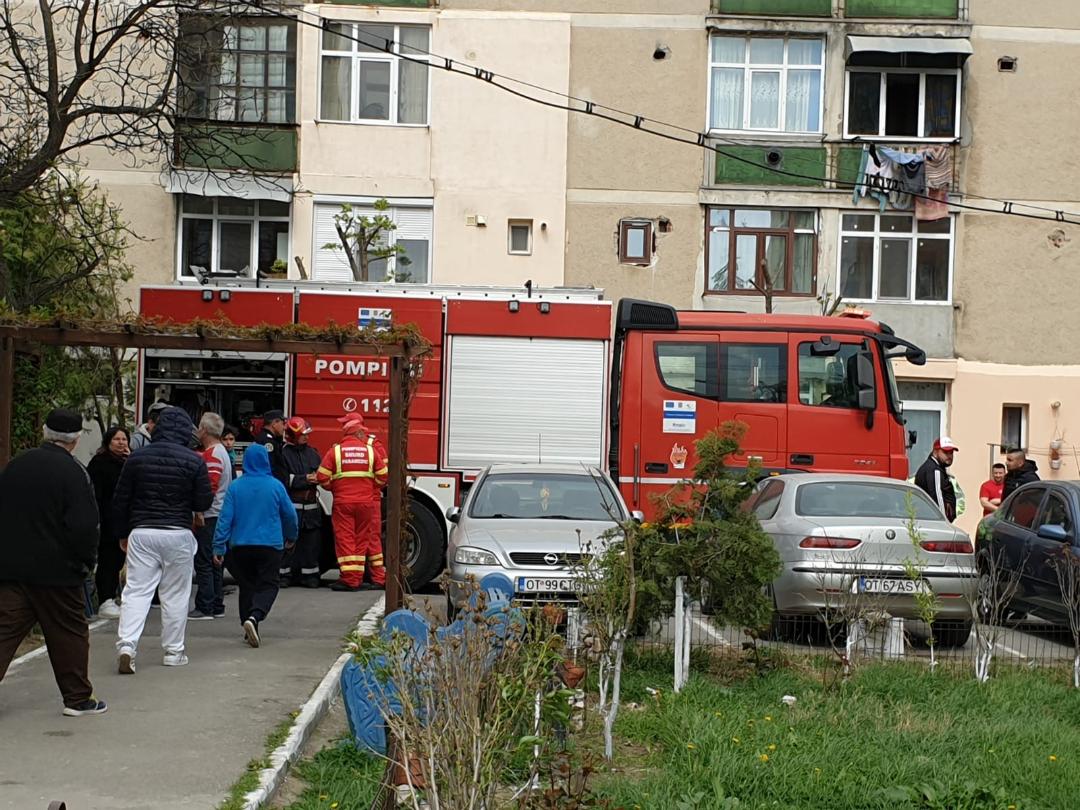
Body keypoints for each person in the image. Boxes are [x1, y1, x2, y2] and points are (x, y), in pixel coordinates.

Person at [0, 409, 107, 716]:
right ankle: (78, 698)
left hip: (12, 567)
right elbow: (84, 526)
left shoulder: (16, 465)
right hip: (58, 571)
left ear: (45, 432)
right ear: (76, 439)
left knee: (4, 630)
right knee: (69, 633)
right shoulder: (74, 473)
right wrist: (86, 561)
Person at [112, 407, 212, 673]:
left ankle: (127, 645)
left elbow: (121, 500)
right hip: (178, 532)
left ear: (157, 428)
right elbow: (203, 501)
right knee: (175, 594)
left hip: (142, 531)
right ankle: (173, 651)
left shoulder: (136, 458)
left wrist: (122, 534)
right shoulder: (194, 461)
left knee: (136, 591)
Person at [213, 444, 298, 648]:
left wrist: (218, 546)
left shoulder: (235, 487)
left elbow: (225, 519)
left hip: (240, 546)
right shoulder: (275, 486)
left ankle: (248, 625)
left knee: (247, 585)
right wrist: (291, 536)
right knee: (269, 584)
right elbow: (289, 515)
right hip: (270, 545)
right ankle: (255, 616)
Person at [316, 412, 388, 592]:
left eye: (344, 424)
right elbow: (383, 475)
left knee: (346, 538)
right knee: (364, 539)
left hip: (345, 501)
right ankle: (361, 577)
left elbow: (322, 476)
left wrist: (335, 487)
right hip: (367, 501)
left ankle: (352, 579)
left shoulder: (337, 450)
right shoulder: (371, 449)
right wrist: (370, 487)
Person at [190, 412, 233, 621]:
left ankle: (205, 606)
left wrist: (199, 510)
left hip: (210, 514)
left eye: (199, 427)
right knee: (216, 561)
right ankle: (216, 604)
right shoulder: (221, 451)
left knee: (204, 561)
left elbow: (210, 486)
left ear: (205, 430)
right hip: (219, 513)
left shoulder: (212, 454)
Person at [86, 426, 130, 619]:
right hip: (106, 519)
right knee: (108, 560)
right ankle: (106, 599)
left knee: (119, 560)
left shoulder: (128, 462)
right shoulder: (100, 463)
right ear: (108, 441)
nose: (121, 443)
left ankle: (113, 596)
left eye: (124, 439)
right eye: (117, 439)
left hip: (124, 520)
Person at [276, 416, 324, 589]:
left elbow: (321, 472)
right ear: (293, 435)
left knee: (311, 545)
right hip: (292, 506)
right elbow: (282, 479)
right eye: (303, 434)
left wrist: (319, 477)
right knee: (288, 543)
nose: (306, 437)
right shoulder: (282, 454)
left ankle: (310, 576)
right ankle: (283, 575)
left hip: (311, 508)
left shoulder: (312, 453)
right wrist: (304, 479)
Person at [914, 436, 958, 522]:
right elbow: (938, 497)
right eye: (945, 452)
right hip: (936, 521)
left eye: (951, 452)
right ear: (935, 452)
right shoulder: (934, 470)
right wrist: (943, 521)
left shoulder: (934, 467)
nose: (949, 456)